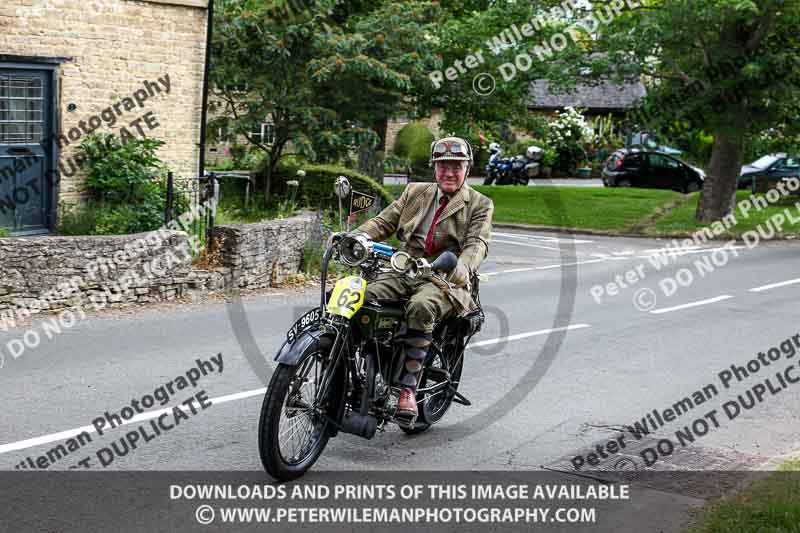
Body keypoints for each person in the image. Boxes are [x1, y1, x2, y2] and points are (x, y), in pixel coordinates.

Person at [354, 136, 494, 420]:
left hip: (446, 278)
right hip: (406, 268)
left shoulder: (479, 204)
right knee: (359, 295)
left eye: (457, 166)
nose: (449, 172)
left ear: (467, 168)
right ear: (434, 168)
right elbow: (383, 222)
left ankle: (408, 388)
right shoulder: (415, 192)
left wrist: (463, 267)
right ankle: (358, 366)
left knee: (420, 307)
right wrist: (358, 236)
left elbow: (477, 244)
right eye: (443, 166)